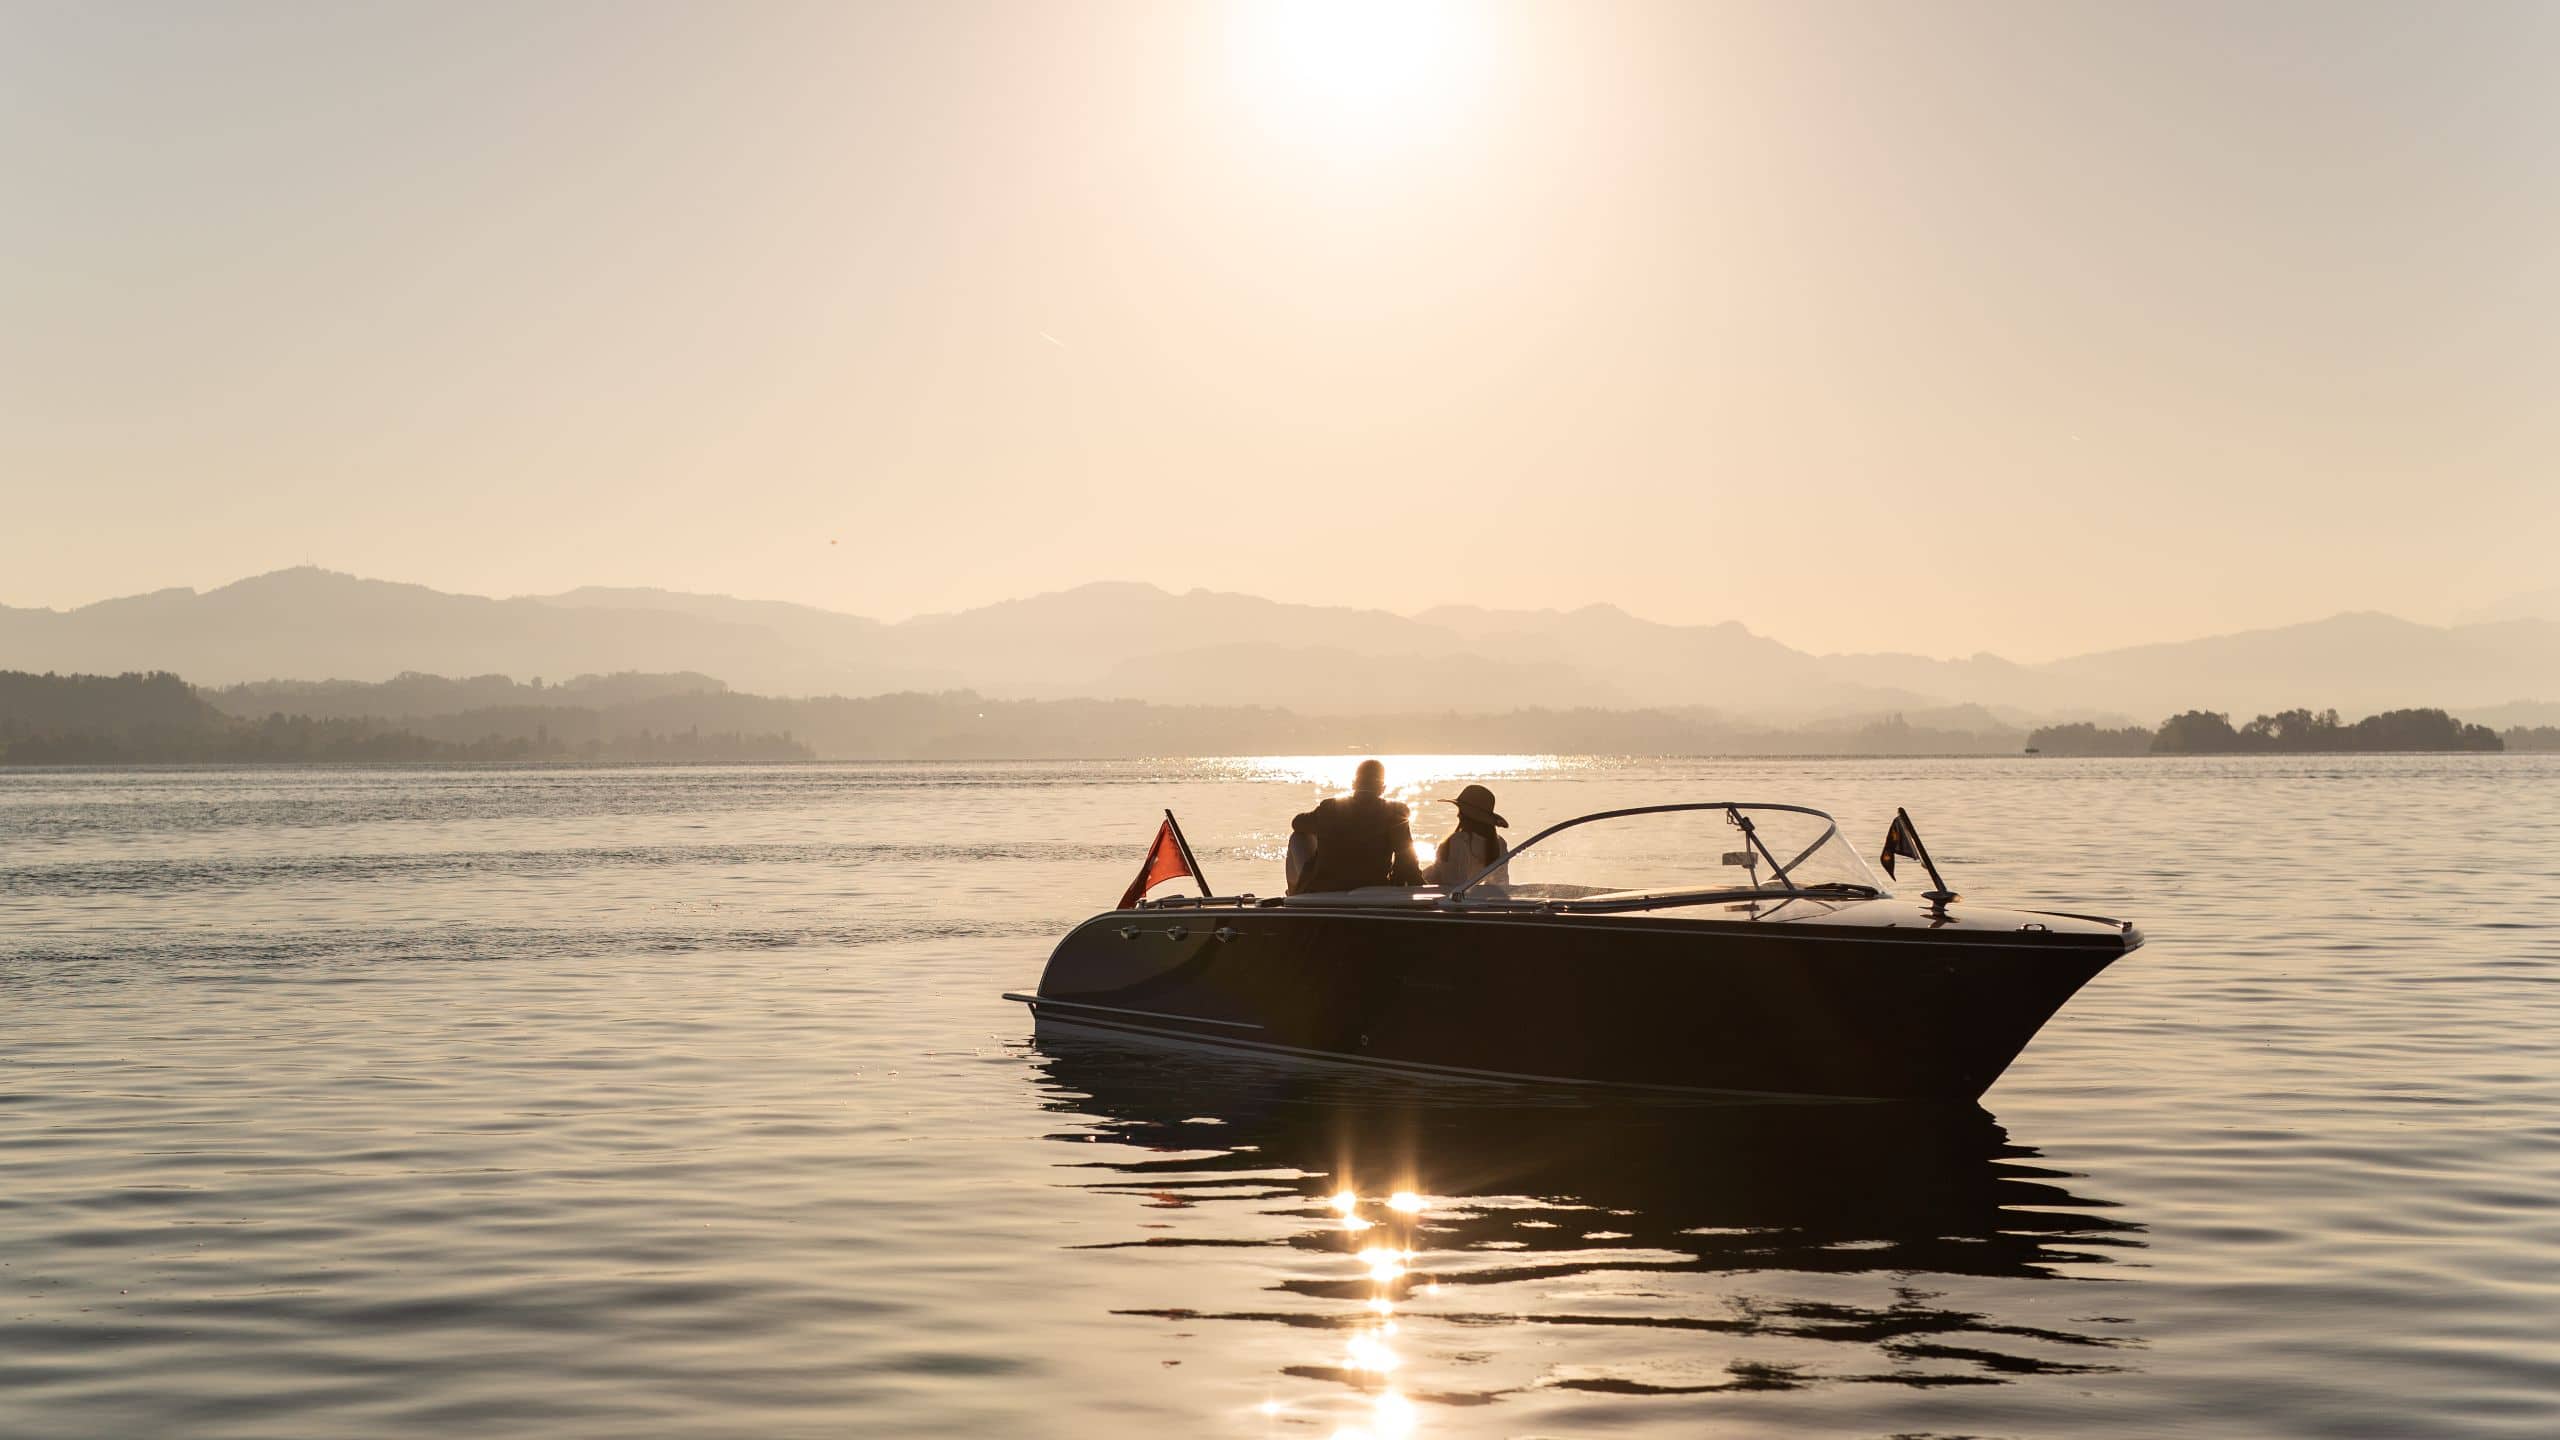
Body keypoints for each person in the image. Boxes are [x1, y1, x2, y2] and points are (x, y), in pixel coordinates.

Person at [1286, 758, 1424, 894]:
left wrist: (1328, 829)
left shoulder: (1329, 808)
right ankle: (1297, 892)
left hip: (1325, 887)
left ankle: (1295, 893)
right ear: (1382, 789)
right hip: (1374, 886)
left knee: (1298, 837)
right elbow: (1408, 861)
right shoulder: (1396, 811)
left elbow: (1296, 823)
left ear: (1353, 784)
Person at [1426, 783, 1509, 889]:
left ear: (1468, 815)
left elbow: (1454, 884)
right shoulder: (1500, 843)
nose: (1458, 815)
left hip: (1427, 889)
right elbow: (1499, 885)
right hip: (1432, 887)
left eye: (1460, 810)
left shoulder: (1458, 841)